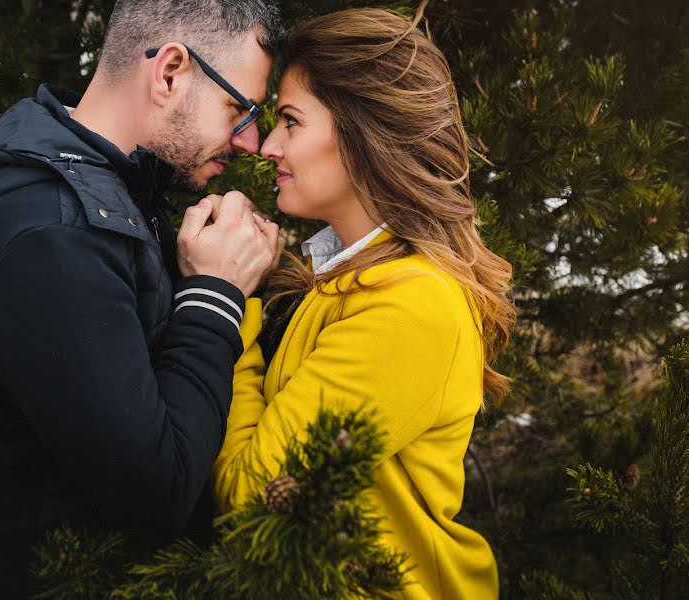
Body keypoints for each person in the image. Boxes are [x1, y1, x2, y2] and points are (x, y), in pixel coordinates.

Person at [0, 1, 285, 597]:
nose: (252, 140)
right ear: (169, 73)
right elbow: (156, 494)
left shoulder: (107, 182)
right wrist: (216, 295)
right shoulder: (49, 235)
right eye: (239, 109)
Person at [212, 5, 517, 599]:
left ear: (360, 133)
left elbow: (253, 500)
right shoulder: (340, 283)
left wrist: (227, 298)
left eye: (292, 122)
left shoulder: (412, 304)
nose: (266, 146)